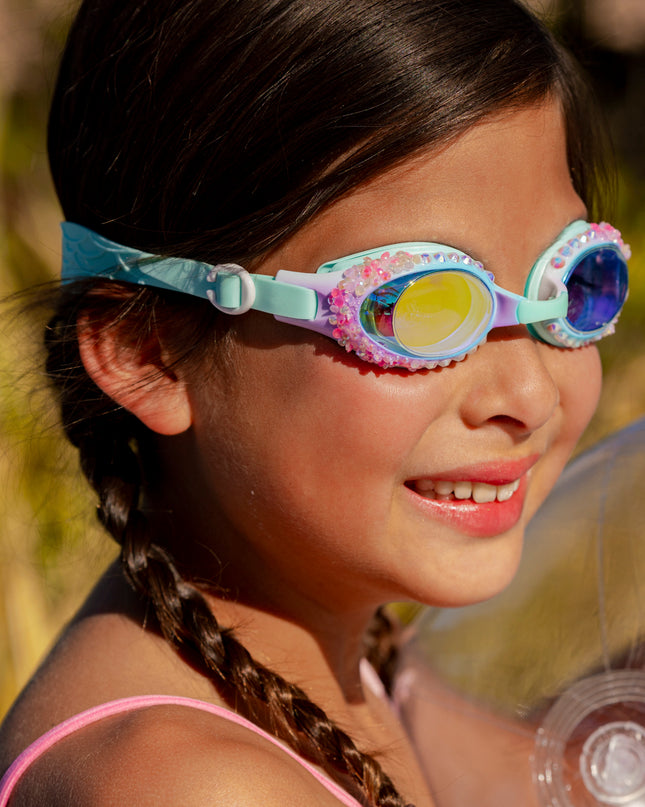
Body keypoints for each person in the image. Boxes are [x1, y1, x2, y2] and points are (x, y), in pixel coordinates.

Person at [0, 0, 630, 805]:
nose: (529, 392)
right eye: (419, 306)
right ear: (149, 351)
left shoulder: (338, 644)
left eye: (572, 286)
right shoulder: (187, 786)